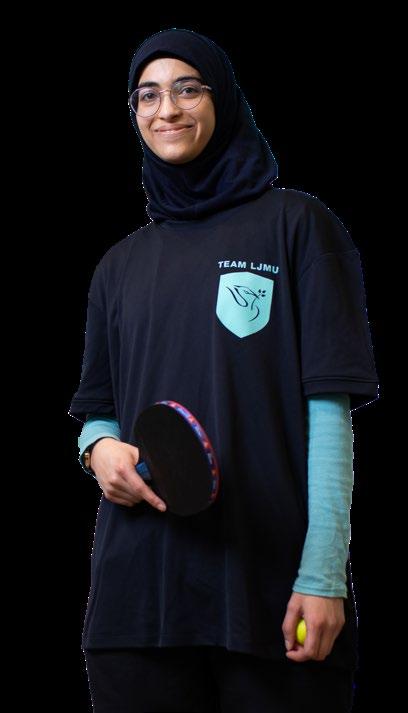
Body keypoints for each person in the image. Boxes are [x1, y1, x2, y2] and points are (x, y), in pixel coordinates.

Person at [69, 28, 379, 713]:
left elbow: (329, 414)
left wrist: (323, 575)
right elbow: (98, 410)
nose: (167, 109)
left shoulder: (298, 226)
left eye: (188, 88)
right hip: (137, 600)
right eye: (147, 95)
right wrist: (98, 451)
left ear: (224, 100)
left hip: (270, 592)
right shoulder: (119, 265)